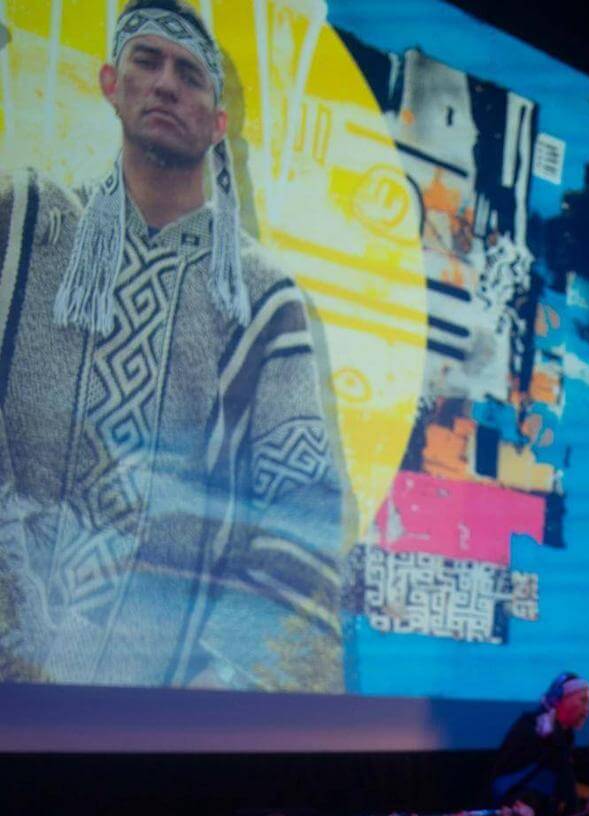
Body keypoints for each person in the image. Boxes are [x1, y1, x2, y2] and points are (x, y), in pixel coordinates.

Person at [0, 0, 347, 691]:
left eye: (190, 72)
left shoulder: (261, 297)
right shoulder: (23, 229)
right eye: (146, 61)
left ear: (219, 123)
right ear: (110, 82)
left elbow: (301, 511)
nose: (165, 84)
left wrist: (215, 684)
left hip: (158, 720)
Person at [492, 671, 589, 814]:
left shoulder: (565, 734)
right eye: (583, 700)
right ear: (558, 699)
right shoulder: (532, 726)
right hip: (515, 807)